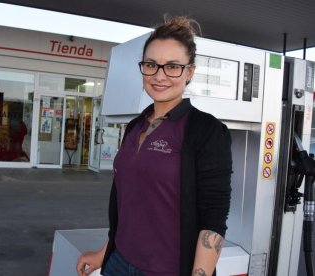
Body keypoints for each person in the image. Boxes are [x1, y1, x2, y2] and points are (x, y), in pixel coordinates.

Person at [77, 15, 232, 276]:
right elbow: (129, 204)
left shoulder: (206, 131)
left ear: (190, 72)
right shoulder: (135, 126)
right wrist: (105, 254)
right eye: (151, 65)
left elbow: (214, 217)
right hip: (118, 263)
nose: (159, 76)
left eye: (173, 66)